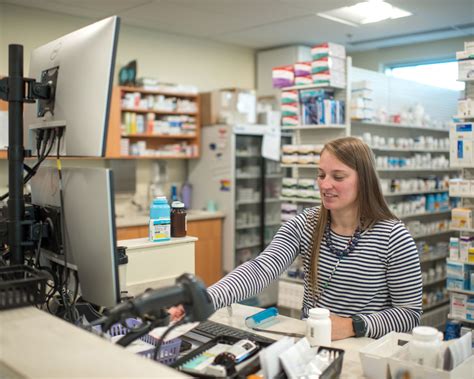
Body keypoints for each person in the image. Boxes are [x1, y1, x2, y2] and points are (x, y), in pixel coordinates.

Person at [170, 136, 422, 340]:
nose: (325, 185)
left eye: (338, 176)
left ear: (364, 180)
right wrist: (205, 299)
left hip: (366, 351)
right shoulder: (307, 223)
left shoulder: (393, 236)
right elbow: (260, 269)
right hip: (311, 346)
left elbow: (409, 314)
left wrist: (352, 326)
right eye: (321, 175)